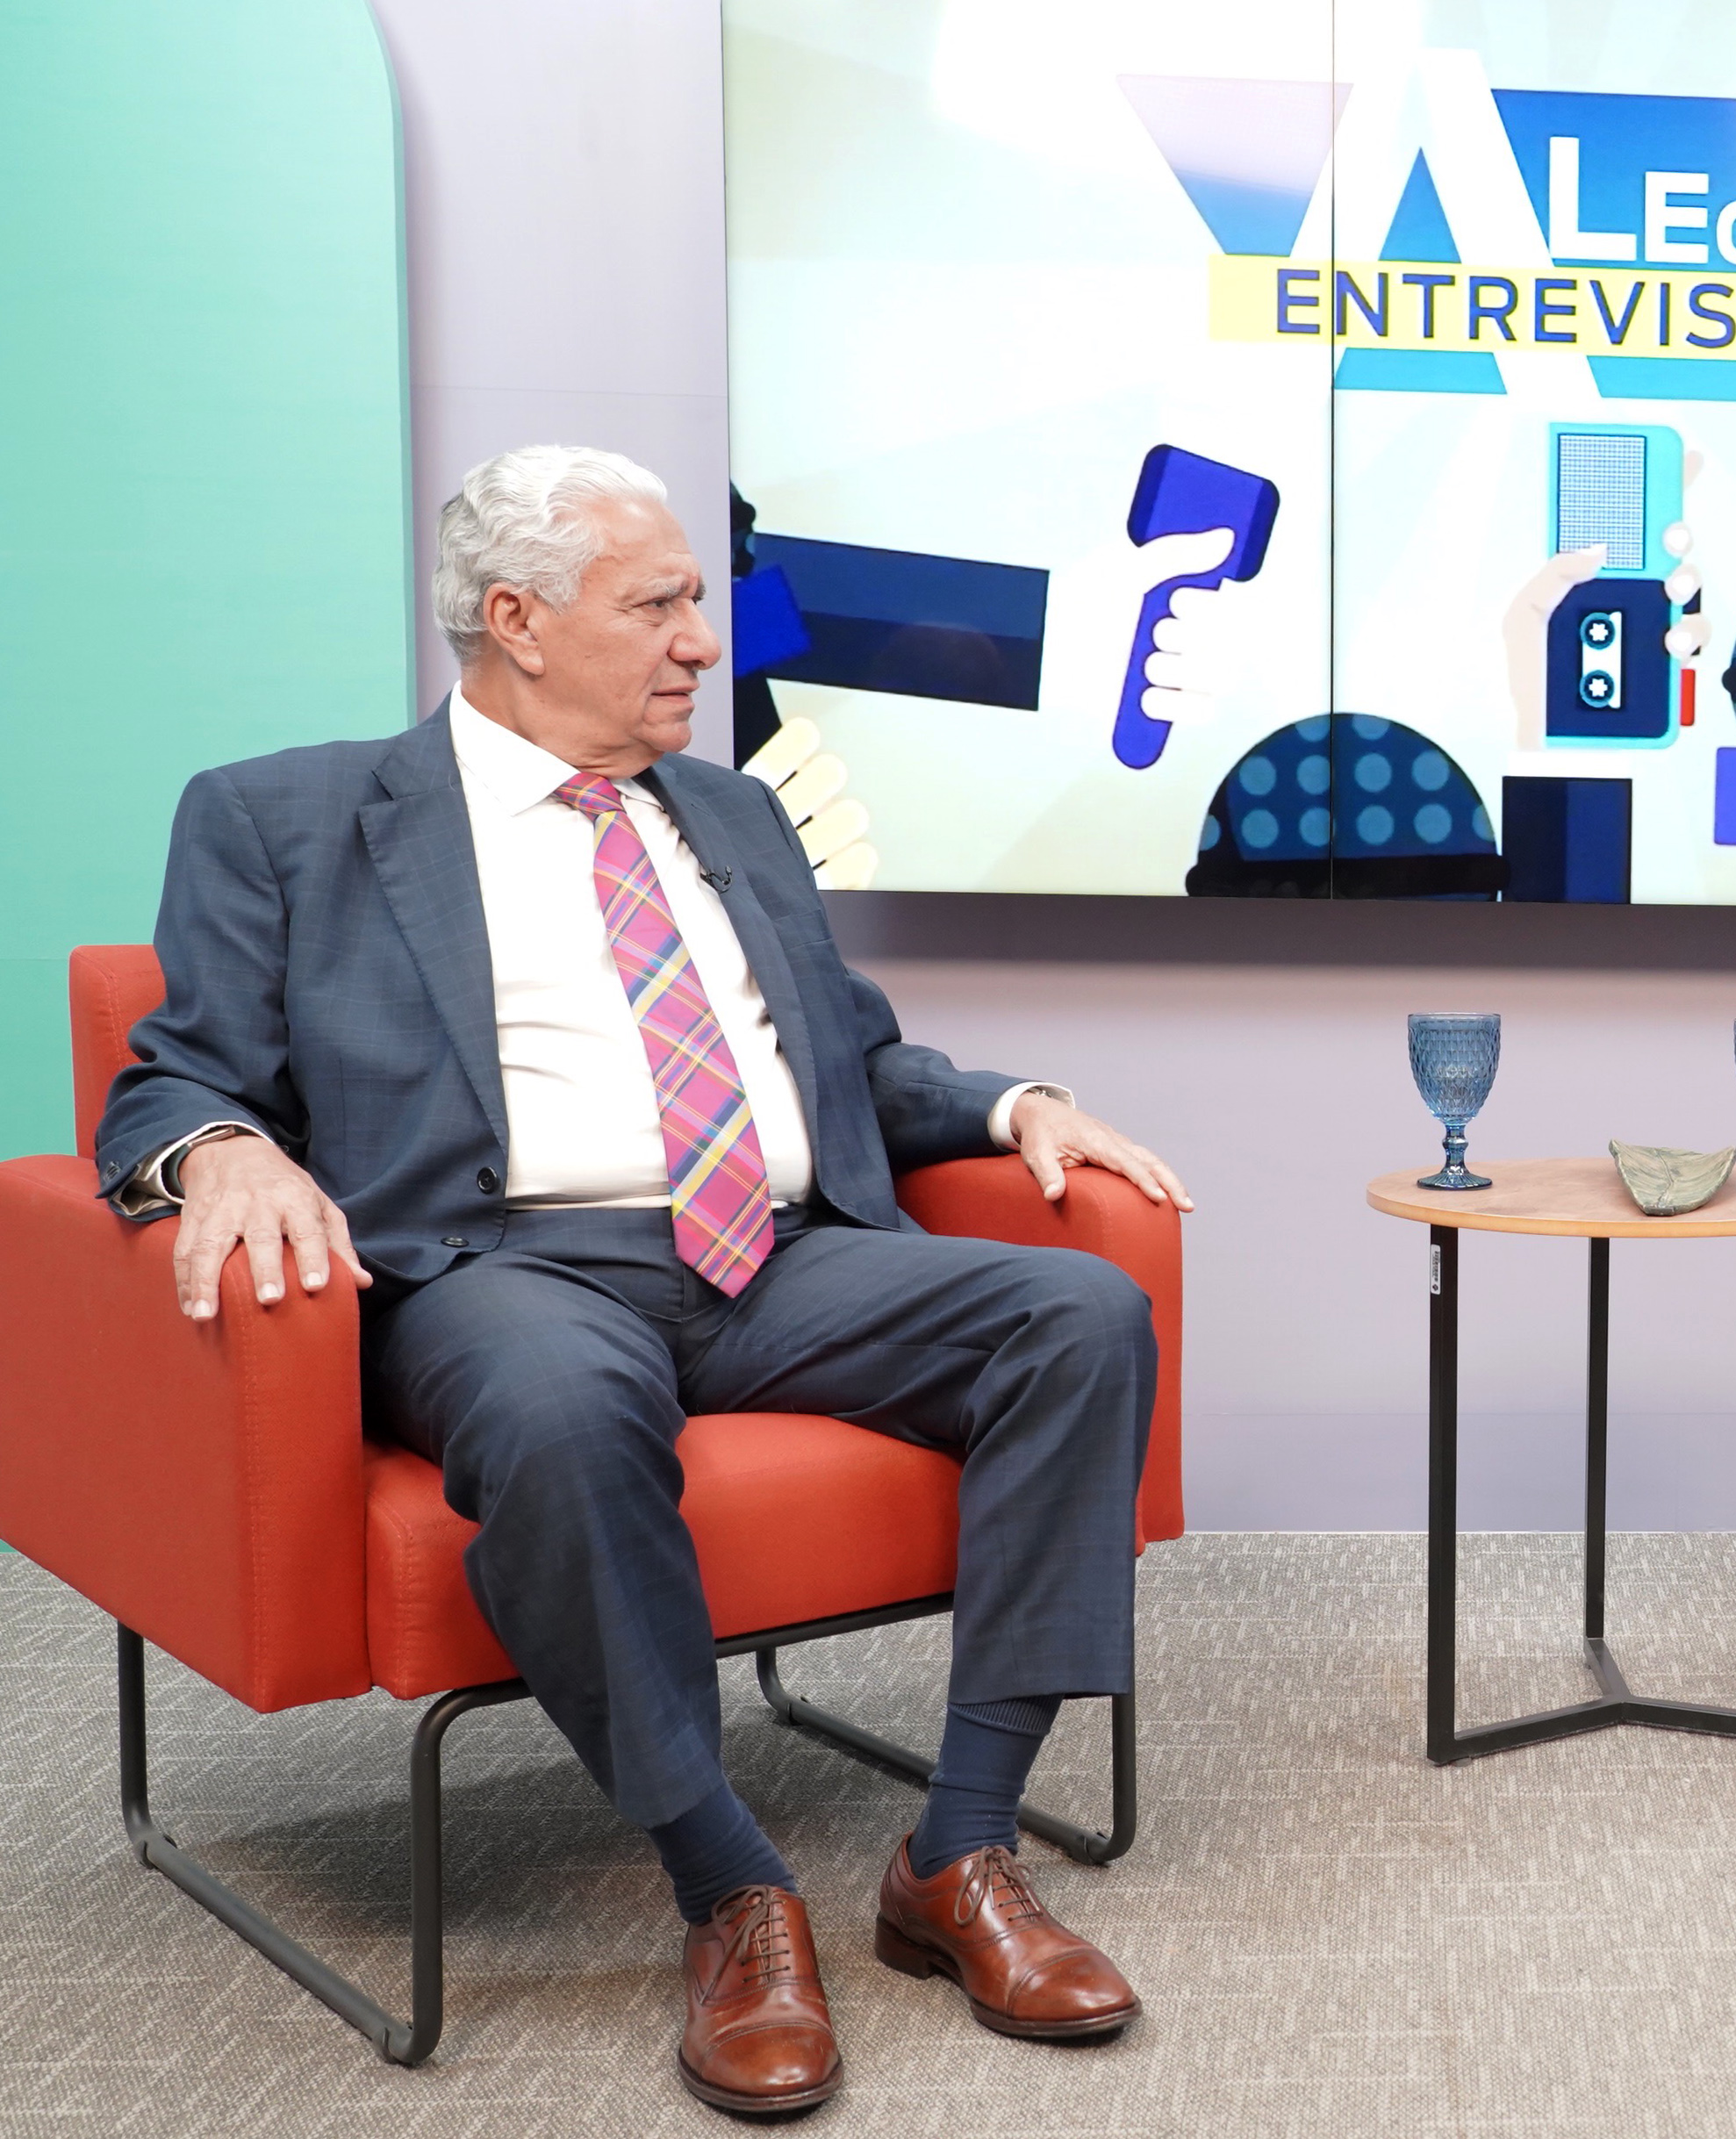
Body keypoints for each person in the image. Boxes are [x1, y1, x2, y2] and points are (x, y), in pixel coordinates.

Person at [96, 446, 1196, 2117]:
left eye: (697, 597)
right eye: (659, 603)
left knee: (1080, 1313)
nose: (703, 636)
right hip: (502, 1267)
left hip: (775, 1255)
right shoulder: (284, 818)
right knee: (557, 1405)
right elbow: (172, 1074)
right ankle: (731, 1885)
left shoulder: (731, 812)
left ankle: (960, 1849)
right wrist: (223, 1149)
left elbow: (847, 1058)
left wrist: (1008, 1104)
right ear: (520, 620)